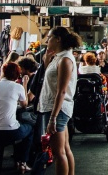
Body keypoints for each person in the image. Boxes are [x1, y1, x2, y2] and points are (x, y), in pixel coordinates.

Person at [38, 26, 79, 175]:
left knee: (58, 152)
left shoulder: (65, 59)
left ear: (58, 39)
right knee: (65, 148)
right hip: (57, 107)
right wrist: (46, 62)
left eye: (49, 38)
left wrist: (53, 118)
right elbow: (52, 81)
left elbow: (61, 90)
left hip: (58, 109)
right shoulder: (59, 57)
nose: (47, 41)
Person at [0, 62, 33, 174]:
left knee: (18, 126)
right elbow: (24, 104)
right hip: (10, 132)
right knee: (28, 129)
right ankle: (23, 162)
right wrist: (25, 84)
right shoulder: (18, 87)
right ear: (17, 75)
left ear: (3, 73)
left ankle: (16, 160)